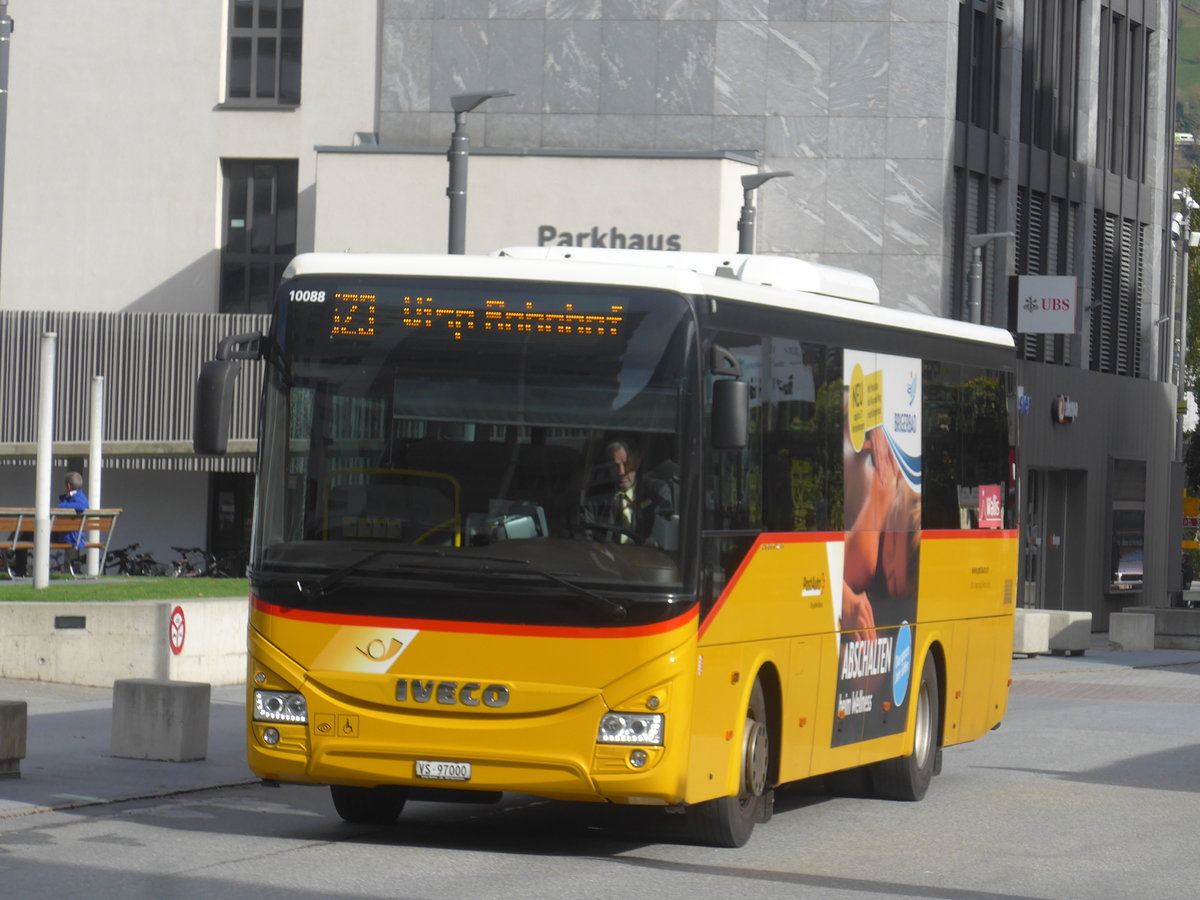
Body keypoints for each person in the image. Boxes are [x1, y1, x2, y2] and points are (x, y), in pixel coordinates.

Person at [583, 440, 672, 544]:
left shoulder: (656, 492)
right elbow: (586, 533)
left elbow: (662, 531)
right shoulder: (597, 494)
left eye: (626, 464)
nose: (621, 472)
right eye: (615, 466)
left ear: (637, 463)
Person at [57, 471, 91, 562]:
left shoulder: (79, 498)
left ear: (68, 486)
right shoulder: (76, 497)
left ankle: (22, 567)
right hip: (70, 535)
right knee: (26, 534)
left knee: (28, 535)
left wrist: (63, 505)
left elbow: (82, 506)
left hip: (71, 537)